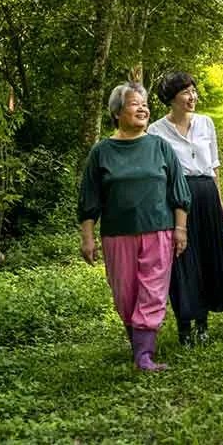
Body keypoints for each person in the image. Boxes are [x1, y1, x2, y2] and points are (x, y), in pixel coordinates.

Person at [78, 81, 191, 371]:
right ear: (117, 112)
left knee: (152, 291)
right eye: (134, 104)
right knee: (125, 294)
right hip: (117, 235)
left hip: (158, 230)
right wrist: (87, 238)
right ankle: (137, 343)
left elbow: (178, 191)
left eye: (145, 104)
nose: (143, 109)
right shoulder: (101, 152)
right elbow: (89, 198)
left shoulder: (160, 147)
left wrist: (180, 229)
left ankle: (144, 355)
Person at [147, 72, 223, 347]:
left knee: (208, 258)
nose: (193, 97)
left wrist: (219, 201)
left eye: (194, 91)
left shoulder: (205, 123)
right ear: (171, 98)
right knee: (183, 260)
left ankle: (203, 324)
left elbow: (214, 165)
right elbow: (158, 175)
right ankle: (184, 327)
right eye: (186, 92)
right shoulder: (156, 131)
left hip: (206, 194)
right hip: (177, 198)